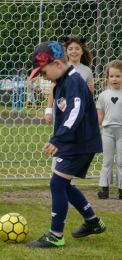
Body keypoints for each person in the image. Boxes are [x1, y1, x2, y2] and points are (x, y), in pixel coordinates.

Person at [26, 41, 106, 248]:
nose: (43, 77)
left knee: (57, 184)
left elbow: (75, 112)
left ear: (57, 65)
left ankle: (56, 235)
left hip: (79, 143)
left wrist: (58, 139)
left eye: (43, 72)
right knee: (63, 184)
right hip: (75, 143)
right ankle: (93, 222)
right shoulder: (62, 82)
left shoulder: (74, 82)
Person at [45, 35, 94, 172]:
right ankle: (57, 173)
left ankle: (67, 176)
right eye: (70, 48)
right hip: (62, 110)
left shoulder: (87, 71)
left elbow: (87, 95)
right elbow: (54, 90)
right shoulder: (61, 67)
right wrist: (48, 111)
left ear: (82, 51)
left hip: (77, 114)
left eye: (77, 48)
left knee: (74, 143)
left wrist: (91, 90)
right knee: (60, 139)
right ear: (66, 51)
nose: (74, 51)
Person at [96, 60, 122, 200]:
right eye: (111, 76)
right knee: (107, 160)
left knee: (121, 161)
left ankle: (121, 189)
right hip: (107, 132)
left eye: (118, 76)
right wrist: (95, 128)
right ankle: (104, 189)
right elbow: (101, 114)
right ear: (107, 78)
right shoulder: (103, 95)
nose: (114, 79)